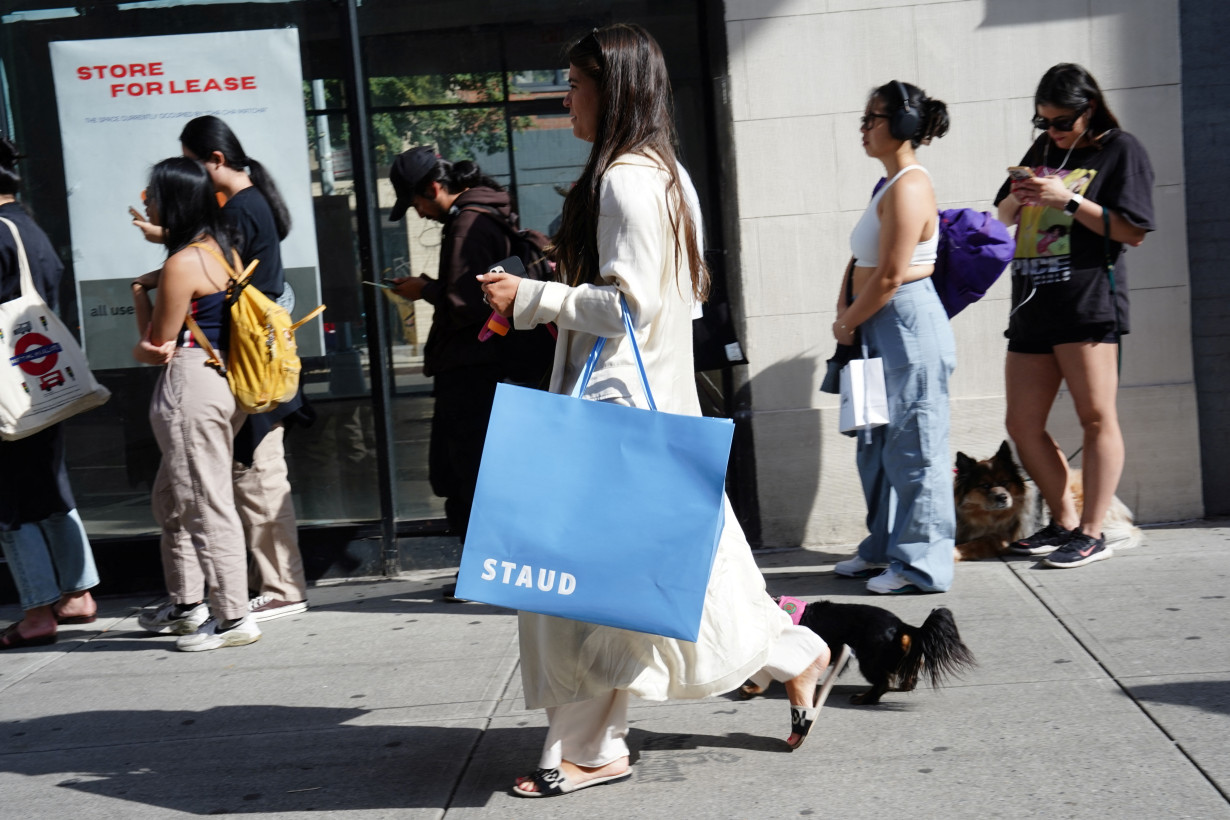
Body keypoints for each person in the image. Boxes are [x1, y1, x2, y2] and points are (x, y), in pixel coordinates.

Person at [478, 24, 830, 797]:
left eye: (573, 82)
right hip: (647, 409)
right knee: (678, 578)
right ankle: (793, 655)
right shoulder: (664, 175)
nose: (563, 96)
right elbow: (677, 299)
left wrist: (531, 297)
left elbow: (628, 308)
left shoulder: (624, 181)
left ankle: (595, 746)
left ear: (613, 88)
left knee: (586, 591)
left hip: (617, 414)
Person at [135, 116, 309, 620]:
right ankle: (214, 599)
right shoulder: (251, 204)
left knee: (253, 479)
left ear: (214, 159)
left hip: (239, 364)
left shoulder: (236, 213)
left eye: (193, 163)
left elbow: (166, 331)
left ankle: (268, 594)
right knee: (213, 486)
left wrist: (163, 251)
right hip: (245, 364)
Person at [994, 63, 1154, 568]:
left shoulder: (1121, 150)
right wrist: (1015, 200)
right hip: (1033, 302)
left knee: (1096, 417)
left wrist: (1069, 200)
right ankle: (1063, 520)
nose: (1053, 131)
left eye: (1062, 121)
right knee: (1022, 423)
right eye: (1043, 122)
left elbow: (1132, 231)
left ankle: (1092, 530)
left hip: (1087, 302)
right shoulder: (1044, 150)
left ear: (1089, 109)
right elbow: (1000, 216)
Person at [830, 80, 956, 594]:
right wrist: (847, 311)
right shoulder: (888, 185)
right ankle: (882, 548)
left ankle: (922, 565)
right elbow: (866, 260)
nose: (863, 128)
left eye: (873, 119)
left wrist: (847, 319)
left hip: (903, 325)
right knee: (876, 442)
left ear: (903, 126)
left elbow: (890, 275)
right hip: (874, 325)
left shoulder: (910, 185)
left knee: (915, 445)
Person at [130, 157, 260, 651]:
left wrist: (141, 291)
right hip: (224, 381)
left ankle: (232, 617)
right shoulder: (221, 249)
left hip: (189, 384)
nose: (149, 203)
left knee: (203, 501)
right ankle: (188, 605)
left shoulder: (181, 264)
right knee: (174, 497)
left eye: (153, 196)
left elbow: (153, 345)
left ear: (172, 202)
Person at [386, 149, 527, 602]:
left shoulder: (467, 223)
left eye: (415, 204)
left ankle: (484, 575)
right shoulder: (490, 212)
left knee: (466, 474)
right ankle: (496, 570)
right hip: (493, 366)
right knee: (485, 472)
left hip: (471, 371)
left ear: (432, 189)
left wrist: (423, 289)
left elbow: (466, 304)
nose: (420, 214)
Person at [0, 137, 100, 649]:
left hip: (6, 389)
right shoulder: (27, 226)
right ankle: (78, 591)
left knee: (10, 501)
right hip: (40, 380)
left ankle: (37, 610)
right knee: (47, 484)